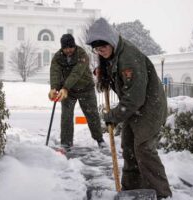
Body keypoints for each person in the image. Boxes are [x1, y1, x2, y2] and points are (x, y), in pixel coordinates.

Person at [86, 18, 172, 199]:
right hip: (134, 108)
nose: (100, 53)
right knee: (128, 147)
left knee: (143, 149)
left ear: (111, 42)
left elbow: (135, 98)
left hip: (149, 108)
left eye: (102, 48)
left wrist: (113, 116)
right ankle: (131, 190)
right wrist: (102, 74)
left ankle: (162, 194)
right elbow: (119, 81)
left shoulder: (129, 58)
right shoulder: (114, 54)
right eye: (97, 50)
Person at [48, 33, 106, 150]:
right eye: (65, 48)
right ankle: (66, 143)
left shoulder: (82, 54)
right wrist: (54, 88)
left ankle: (99, 139)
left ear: (74, 46)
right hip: (68, 92)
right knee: (66, 116)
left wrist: (65, 88)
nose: (68, 50)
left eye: (71, 47)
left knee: (92, 115)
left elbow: (77, 73)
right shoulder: (58, 57)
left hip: (86, 89)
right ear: (62, 48)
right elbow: (55, 72)